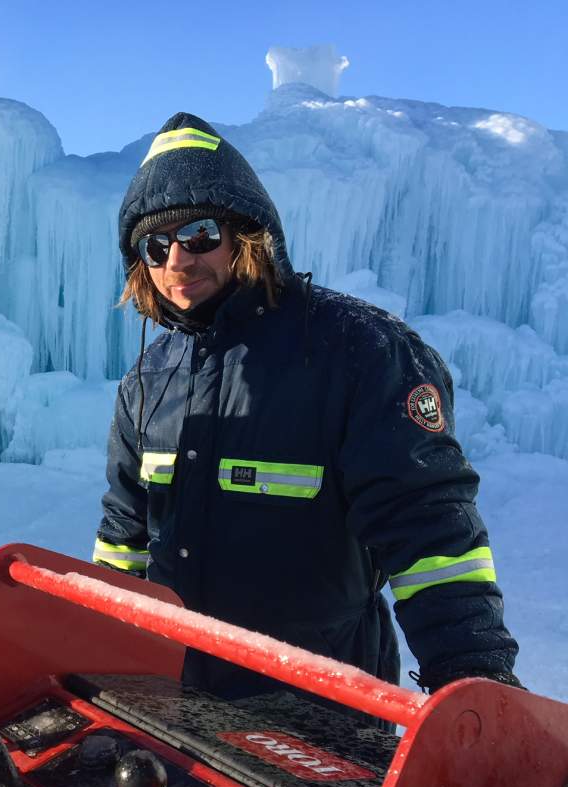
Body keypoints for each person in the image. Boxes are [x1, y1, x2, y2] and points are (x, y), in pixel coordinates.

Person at [93, 112, 520, 701]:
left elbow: (431, 538)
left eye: (198, 235)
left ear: (247, 232)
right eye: (155, 244)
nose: (176, 261)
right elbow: (124, 537)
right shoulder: (147, 381)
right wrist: (97, 657)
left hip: (322, 716)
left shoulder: (361, 353)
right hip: (177, 701)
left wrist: (478, 687)